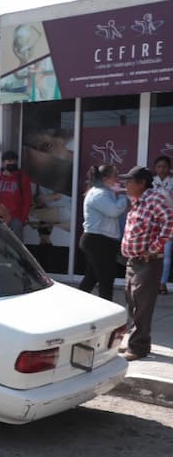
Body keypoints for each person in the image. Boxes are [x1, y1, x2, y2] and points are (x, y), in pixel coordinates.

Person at [119, 166, 173, 361]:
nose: (126, 185)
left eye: (129, 181)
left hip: (147, 262)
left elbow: (170, 221)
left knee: (142, 305)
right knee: (133, 303)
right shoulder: (137, 201)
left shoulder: (154, 199)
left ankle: (138, 347)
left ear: (142, 183)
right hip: (133, 261)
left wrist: (154, 247)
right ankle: (135, 341)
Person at [78, 164, 128, 301]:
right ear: (106, 178)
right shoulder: (98, 193)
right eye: (115, 175)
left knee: (92, 278)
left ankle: (76, 304)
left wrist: (117, 194)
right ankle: (107, 311)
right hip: (97, 241)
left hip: (102, 241)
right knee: (106, 278)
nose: (118, 178)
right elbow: (113, 211)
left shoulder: (106, 192)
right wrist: (123, 196)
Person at [0, 151, 33, 240]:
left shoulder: (22, 178)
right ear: (3, 163)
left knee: (17, 246)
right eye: (9, 161)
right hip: (1, 218)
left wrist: (22, 219)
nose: (12, 163)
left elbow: (28, 200)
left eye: (14, 161)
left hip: (17, 218)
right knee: (1, 243)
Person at [151, 155, 173, 294]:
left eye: (164, 166)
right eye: (159, 166)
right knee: (153, 253)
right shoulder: (151, 182)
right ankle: (151, 282)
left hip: (170, 221)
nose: (162, 169)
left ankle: (162, 283)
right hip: (153, 222)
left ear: (169, 168)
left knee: (167, 254)